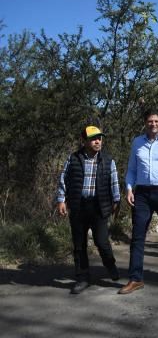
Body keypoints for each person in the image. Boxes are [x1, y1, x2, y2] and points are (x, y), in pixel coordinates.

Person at [119, 108, 158, 295]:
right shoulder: (137, 142)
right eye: (150, 121)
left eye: (156, 121)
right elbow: (131, 169)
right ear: (145, 123)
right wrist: (129, 188)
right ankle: (135, 278)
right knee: (138, 235)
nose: (153, 124)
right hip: (142, 194)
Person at [56, 126, 121, 294]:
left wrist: (116, 200)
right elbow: (63, 179)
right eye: (93, 138)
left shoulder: (108, 160)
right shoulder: (73, 158)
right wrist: (61, 200)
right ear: (84, 141)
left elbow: (114, 181)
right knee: (79, 245)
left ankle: (110, 265)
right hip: (78, 206)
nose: (97, 141)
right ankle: (82, 277)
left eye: (99, 138)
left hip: (99, 207)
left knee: (102, 242)